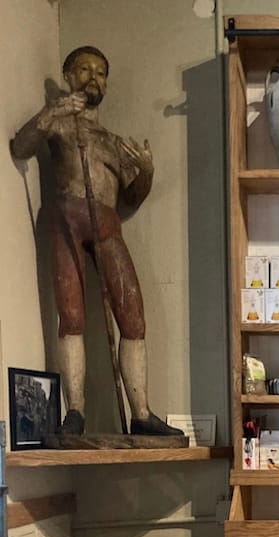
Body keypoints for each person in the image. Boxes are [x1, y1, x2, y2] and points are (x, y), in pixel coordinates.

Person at [11, 45, 178, 436]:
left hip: (105, 224)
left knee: (133, 317)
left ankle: (141, 414)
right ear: (68, 76)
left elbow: (130, 197)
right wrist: (53, 112)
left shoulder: (109, 141)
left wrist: (147, 172)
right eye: (83, 69)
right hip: (66, 218)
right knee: (71, 316)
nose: (92, 77)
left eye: (100, 71)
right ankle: (76, 412)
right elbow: (21, 146)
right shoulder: (59, 123)